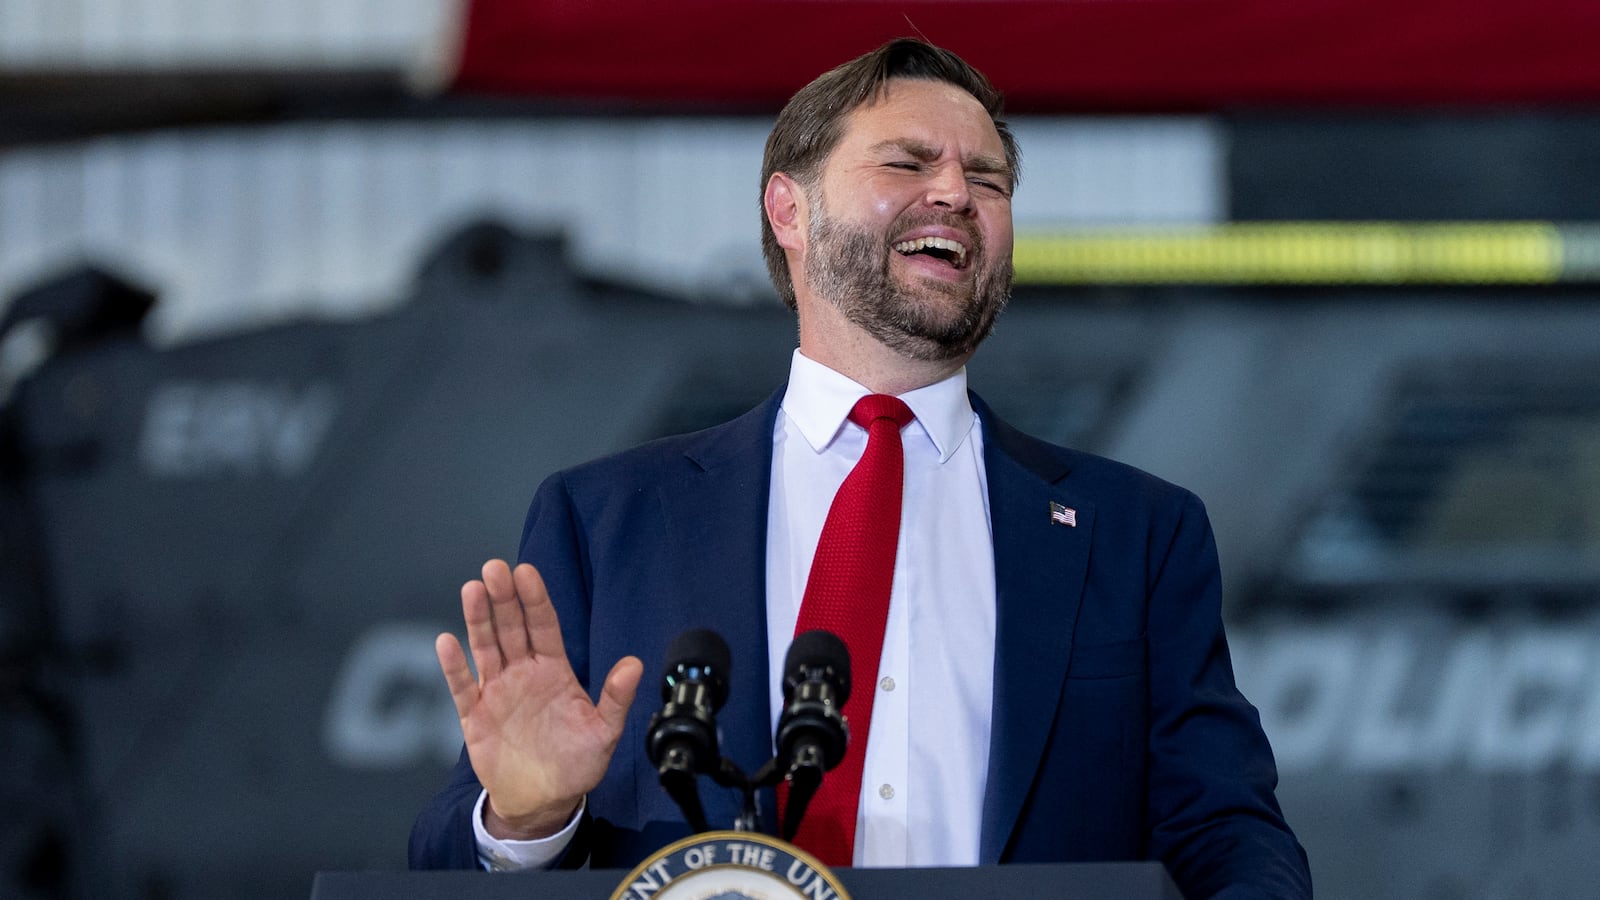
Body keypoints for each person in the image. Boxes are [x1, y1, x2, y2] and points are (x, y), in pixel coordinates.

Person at [410, 38, 1311, 898]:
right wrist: (530, 819)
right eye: (908, 164)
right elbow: (445, 867)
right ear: (789, 210)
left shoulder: (1137, 533)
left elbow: (1228, 833)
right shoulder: (607, 520)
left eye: (988, 179)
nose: (957, 192)